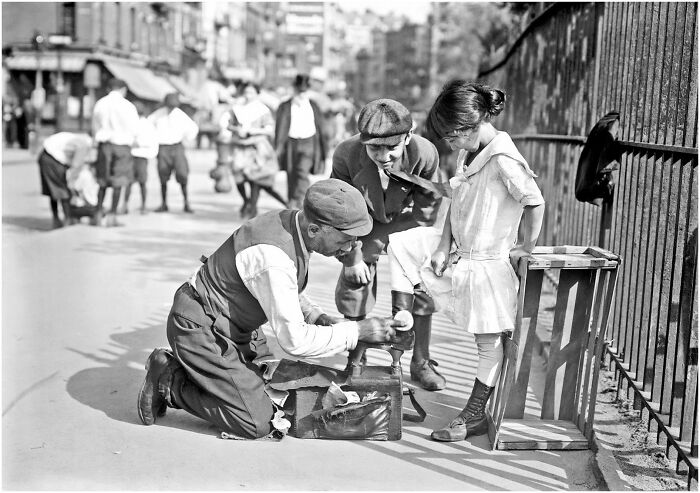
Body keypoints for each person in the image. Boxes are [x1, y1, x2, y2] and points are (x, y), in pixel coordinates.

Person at [137, 178, 405, 439]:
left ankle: (210, 376)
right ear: (315, 229)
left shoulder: (293, 224)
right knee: (257, 421)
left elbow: (281, 290)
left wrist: (316, 316)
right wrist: (356, 331)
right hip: (201, 328)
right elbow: (295, 341)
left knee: (277, 388)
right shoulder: (274, 256)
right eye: (345, 239)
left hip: (232, 326)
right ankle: (169, 381)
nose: (350, 247)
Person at [387, 80, 545, 441]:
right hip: (462, 255)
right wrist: (443, 244)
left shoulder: (503, 158)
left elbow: (535, 201)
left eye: (450, 135)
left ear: (469, 126)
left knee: (488, 343)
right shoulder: (468, 153)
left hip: (488, 262)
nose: (448, 143)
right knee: (401, 245)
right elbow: (455, 205)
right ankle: (405, 327)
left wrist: (526, 247)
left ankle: (475, 413)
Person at [330, 98, 445, 391]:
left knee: (420, 284)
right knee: (355, 282)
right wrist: (352, 257)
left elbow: (427, 209)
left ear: (408, 136)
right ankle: (356, 359)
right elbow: (340, 210)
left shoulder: (425, 153)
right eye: (374, 148)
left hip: (407, 220)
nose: (382, 156)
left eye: (390, 148)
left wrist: (414, 259)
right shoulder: (346, 154)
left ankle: (420, 361)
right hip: (363, 221)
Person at [228, 82, 287, 218]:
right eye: (246, 92)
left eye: (251, 92)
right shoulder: (237, 109)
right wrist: (238, 130)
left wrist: (253, 130)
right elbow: (229, 125)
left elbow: (269, 128)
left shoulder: (262, 110)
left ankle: (252, 208)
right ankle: (246, 201)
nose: (248, 95)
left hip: (258, 147)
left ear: (257, 94)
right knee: (239, 178)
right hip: (241, 147)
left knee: (256, 179)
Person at [91, 78, 139, 227]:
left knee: (102, 181)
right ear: (123, 89)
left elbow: (95, 126)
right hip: (122, 146)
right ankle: (112, 216)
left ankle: (98, 214)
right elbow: (135, 128)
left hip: (104, 145)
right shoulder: (128, 106)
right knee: (119, 181)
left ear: (108, 89)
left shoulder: (100, 104)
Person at [274, 74, 327, 209]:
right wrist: (278, 147)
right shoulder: (285, 106)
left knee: (302, 172)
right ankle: (292, 201)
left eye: (304, 91)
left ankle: (300, 202)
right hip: (290, 143)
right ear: (294, 89)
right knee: (291, 173)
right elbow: (279, 128)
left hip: (309, 143)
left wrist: (323, 147)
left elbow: (321, 127)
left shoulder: (314, 106)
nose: (301, 94)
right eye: (299, 91)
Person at [149, 92, 199, 213]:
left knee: (182, 174)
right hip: (163, 147)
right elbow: (148, 125)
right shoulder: (158, 115)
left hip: (177, 147)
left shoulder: (180, 115)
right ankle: (164, 203)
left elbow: (193, 129)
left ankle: (186, 203)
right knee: (163, 174)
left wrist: (188, 139)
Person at [37, 131, 93, 228]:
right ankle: (68, 219)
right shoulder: (84, 145)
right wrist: (72, 183)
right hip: (53, 160)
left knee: (52, 191)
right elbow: (75, 166)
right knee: (63, 190)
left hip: (44, 155)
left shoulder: (76, 138)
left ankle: (56, 219)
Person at [121, 101, 158, 214]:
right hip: (137, 156)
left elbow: (150, 141)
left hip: (138, 155)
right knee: (136, 182)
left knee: (133, 182)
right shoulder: (143, 124)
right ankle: (137, 205)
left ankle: (133, 205)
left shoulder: (144, 124)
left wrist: (137, 143)